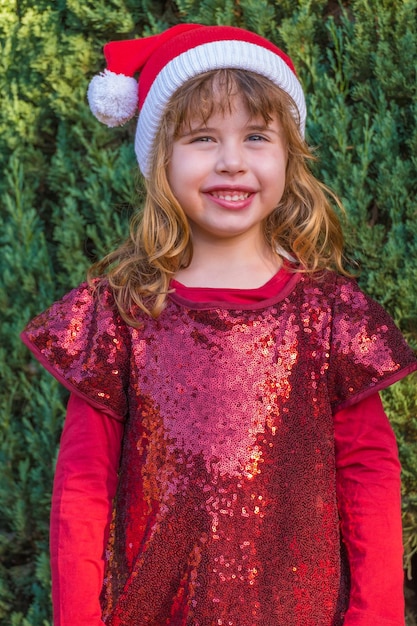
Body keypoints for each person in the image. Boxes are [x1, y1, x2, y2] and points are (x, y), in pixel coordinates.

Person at [21, 23, 417, 626]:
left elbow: (369, 477)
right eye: (203, 138)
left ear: (290, 154)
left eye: (257, 136)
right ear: (161, 160)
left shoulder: (329, 313)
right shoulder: (122, 312)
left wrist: (376, 617)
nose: (232, 162)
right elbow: (82, 487)